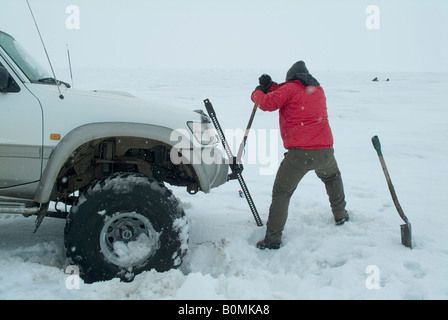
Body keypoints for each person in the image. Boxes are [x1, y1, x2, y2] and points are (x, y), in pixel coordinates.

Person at [251, 61, 348, 250]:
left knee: (282, 194)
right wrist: (272, 86)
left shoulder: (289, 89)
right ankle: (341, 214)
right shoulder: (318, 89)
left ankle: (273, 239)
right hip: (325, 152)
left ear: (291, 78)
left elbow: (270, 103)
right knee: (333, 178)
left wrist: (257, 93)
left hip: (300, 155)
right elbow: (291, 92)